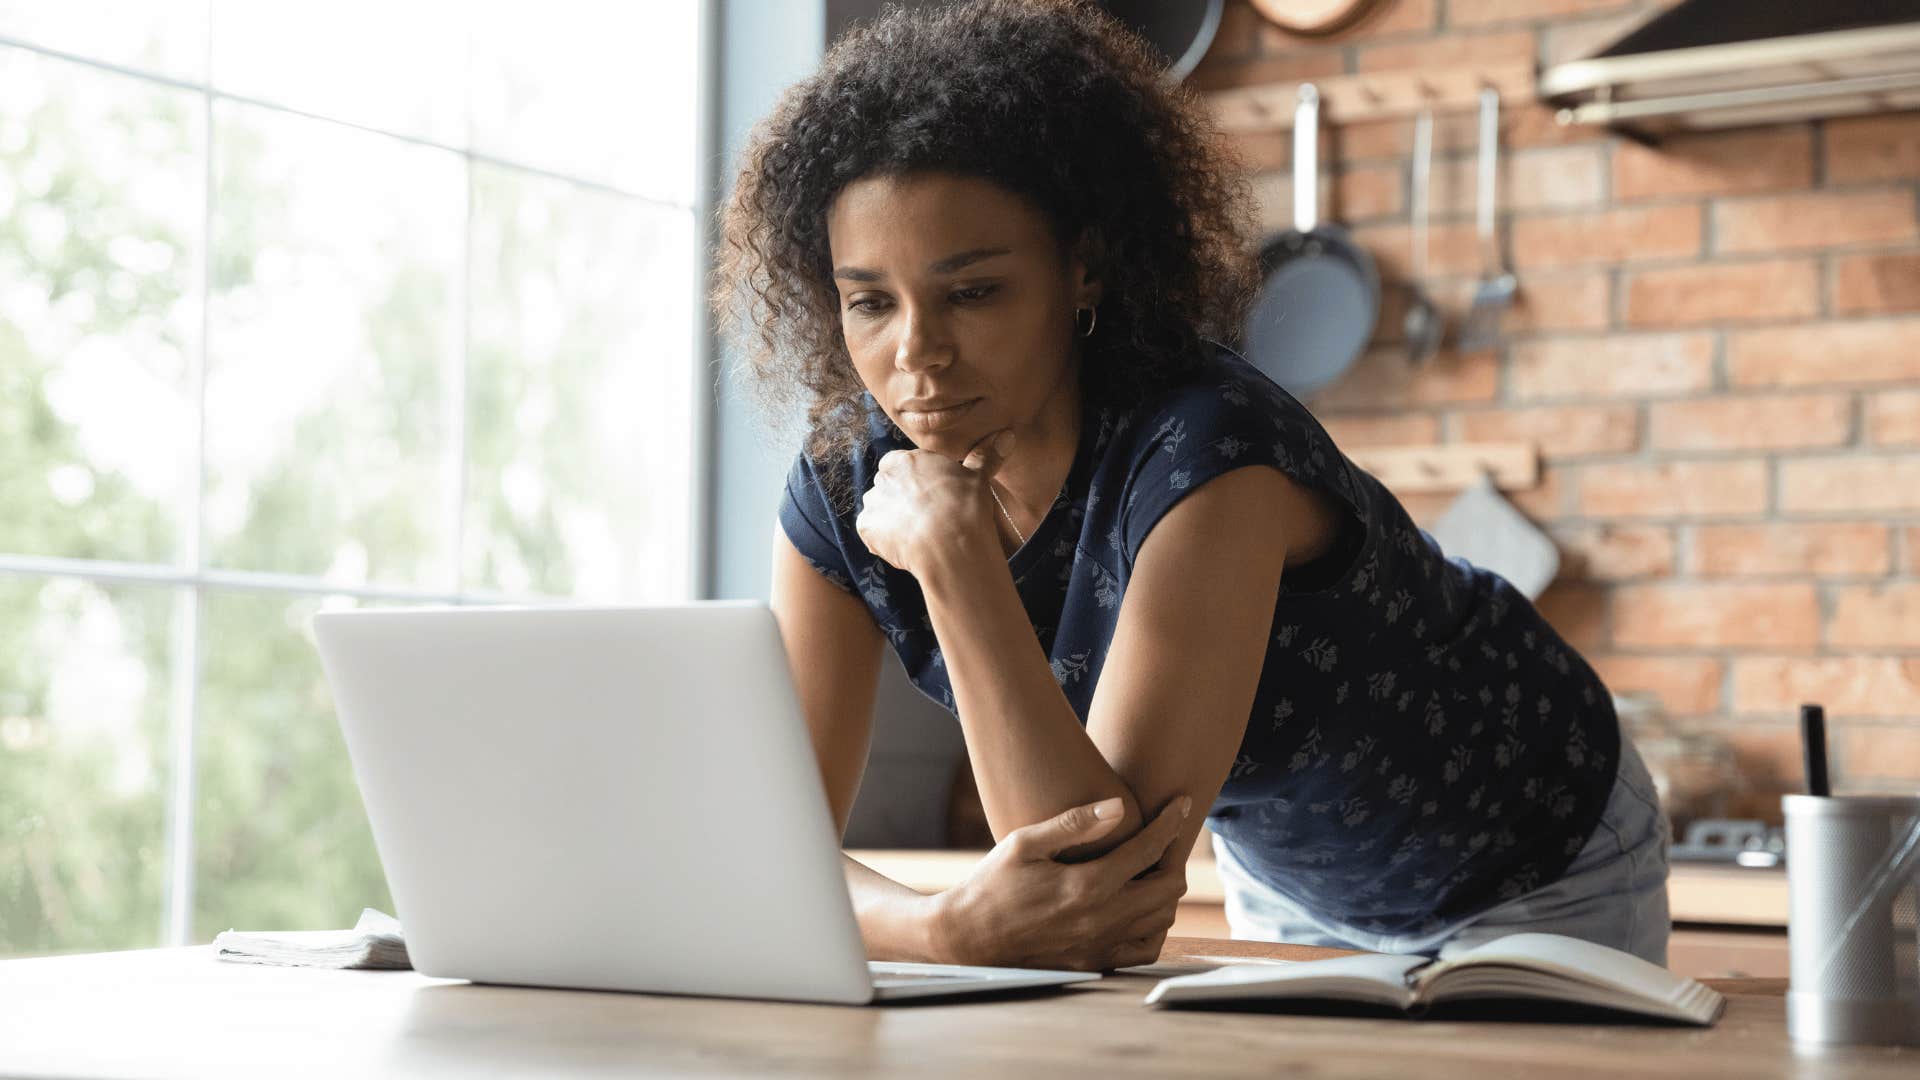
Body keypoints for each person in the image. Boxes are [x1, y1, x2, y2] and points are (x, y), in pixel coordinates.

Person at [712, 0, 1669, 971]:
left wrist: (957, 562)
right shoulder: (844, 484)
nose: (915, 352)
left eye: (973, 291)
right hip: (1292, 882)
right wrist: (939, 926)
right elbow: (761, 855)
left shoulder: (1208, 451)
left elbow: (1099, 888)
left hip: (1532, 848)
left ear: (1082, 270)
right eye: (869, 300)